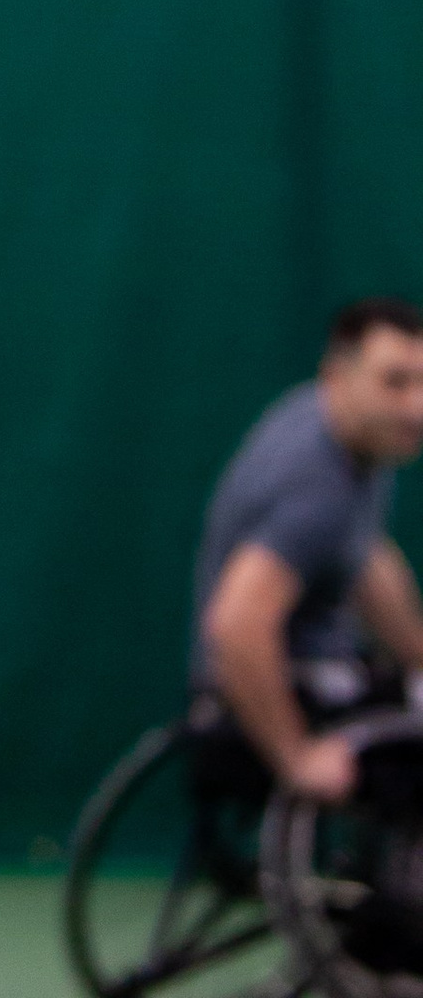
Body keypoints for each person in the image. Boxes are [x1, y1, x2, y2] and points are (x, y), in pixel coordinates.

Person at [193, 298, 423, 800]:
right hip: (279, 697)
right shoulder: (313, 484)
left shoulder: (355, 445)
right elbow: (237, 624)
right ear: (338, 376)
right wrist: (297, 758)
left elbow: (366, 563)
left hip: (328, 675)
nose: (416, 407)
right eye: (395, 382)